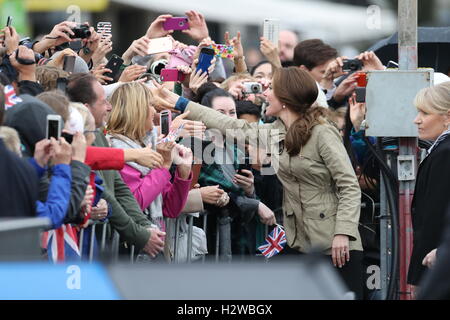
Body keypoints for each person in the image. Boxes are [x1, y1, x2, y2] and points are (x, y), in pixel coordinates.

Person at [154, 66, 363, 297]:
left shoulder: (323, 132)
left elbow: (349, 185)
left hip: (336, 245)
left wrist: (343, 233)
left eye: (271, 88)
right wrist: (180, 102)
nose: (265, 93)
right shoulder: (275, 132)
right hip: (300, 243)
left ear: (285, 99)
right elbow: (227, 124)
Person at [66, 72, 165, 258]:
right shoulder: (78, 141)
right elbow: (105, 192)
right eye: (103, 102)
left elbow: (118, 188)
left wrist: (144, 225)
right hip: (85, 242)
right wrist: (140, 235)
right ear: (86, 108)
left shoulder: (100, 136)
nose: (109, 107)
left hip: (108, 238)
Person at [407, 81, 450, 299]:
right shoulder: (440, 150)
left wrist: (419, 276)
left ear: (447, 117)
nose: (417, 119)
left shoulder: (445, 153)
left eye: (425, 112)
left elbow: (434, 218)